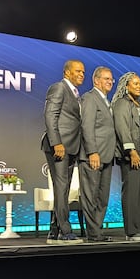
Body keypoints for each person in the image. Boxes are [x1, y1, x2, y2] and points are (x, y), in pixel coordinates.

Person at [41, 59, 85, 244]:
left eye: (83, 72)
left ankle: (54, 229)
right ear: (67, 72)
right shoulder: (59, 87)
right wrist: (57, 143)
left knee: (64, 189)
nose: (82, 74)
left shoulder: (76, 94)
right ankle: (65, 232)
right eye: (78, 71)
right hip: (59, 147)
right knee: (61, 187)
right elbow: (50, 116)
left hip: (72, 146)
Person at [112, 72, 140, 241]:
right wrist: (131, 151)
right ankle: (132, 231)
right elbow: (122, 127)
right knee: (132, 191)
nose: (139, 86)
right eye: (135, 83)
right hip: (133, 153)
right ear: (126, 86)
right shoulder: (121, 104)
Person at [79, 66, 116, 242]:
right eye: (106, 79)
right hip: (93, 156)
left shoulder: (107, 101)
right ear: (96, 80)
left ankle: (97, 231)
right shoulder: (89, 98)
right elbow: (87, 126)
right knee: (90, 196)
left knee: (103, 197)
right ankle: (93, 233)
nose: (110, 82)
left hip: (107, 156)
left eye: (111, 79)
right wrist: (92, 152)